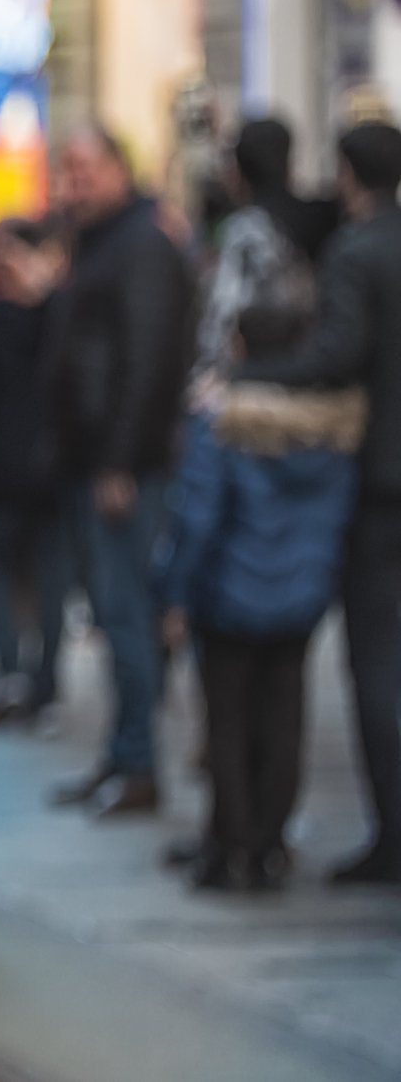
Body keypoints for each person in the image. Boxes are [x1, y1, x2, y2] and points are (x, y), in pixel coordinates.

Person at [237, 121, 401, 886]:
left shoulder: (357, 251)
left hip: (380, 483)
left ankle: (393, 832)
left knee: (376, 663)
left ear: (345, 173)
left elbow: (335, 353)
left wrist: (253, 378)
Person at [160, 301, 362, 892]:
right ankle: (272, 841)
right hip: (300, 593)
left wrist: (174, 591)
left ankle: (232, 844)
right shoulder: (331, 424)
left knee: (226, 721)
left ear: (241, 344)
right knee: (283, 717)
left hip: (227, 591)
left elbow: (197, 516)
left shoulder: (220, 419)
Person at [46, 126, 195, 818]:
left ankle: (136, 761)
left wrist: (118, 459)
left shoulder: (141, 244)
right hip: (95, 457)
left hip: (125, 466)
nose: (73, 183)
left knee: (128, 612)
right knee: (112, 614)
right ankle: (120, 754)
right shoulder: (104, 241)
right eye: (65, 169)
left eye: (85, 168)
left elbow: (146, 359)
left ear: (118, 168)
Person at [0, 218, 70, 724]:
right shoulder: (1, 323)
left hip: (35, 481)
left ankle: (30, 679)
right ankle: (21, 677)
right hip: (15, 480)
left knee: (41, 581)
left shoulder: (50, 321)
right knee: (18, 578)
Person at [191, 119, 316, 392]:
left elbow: (221, 320)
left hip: (255, 386)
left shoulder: (246, 229)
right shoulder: (318, 217)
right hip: (308, 378)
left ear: (237, 171)